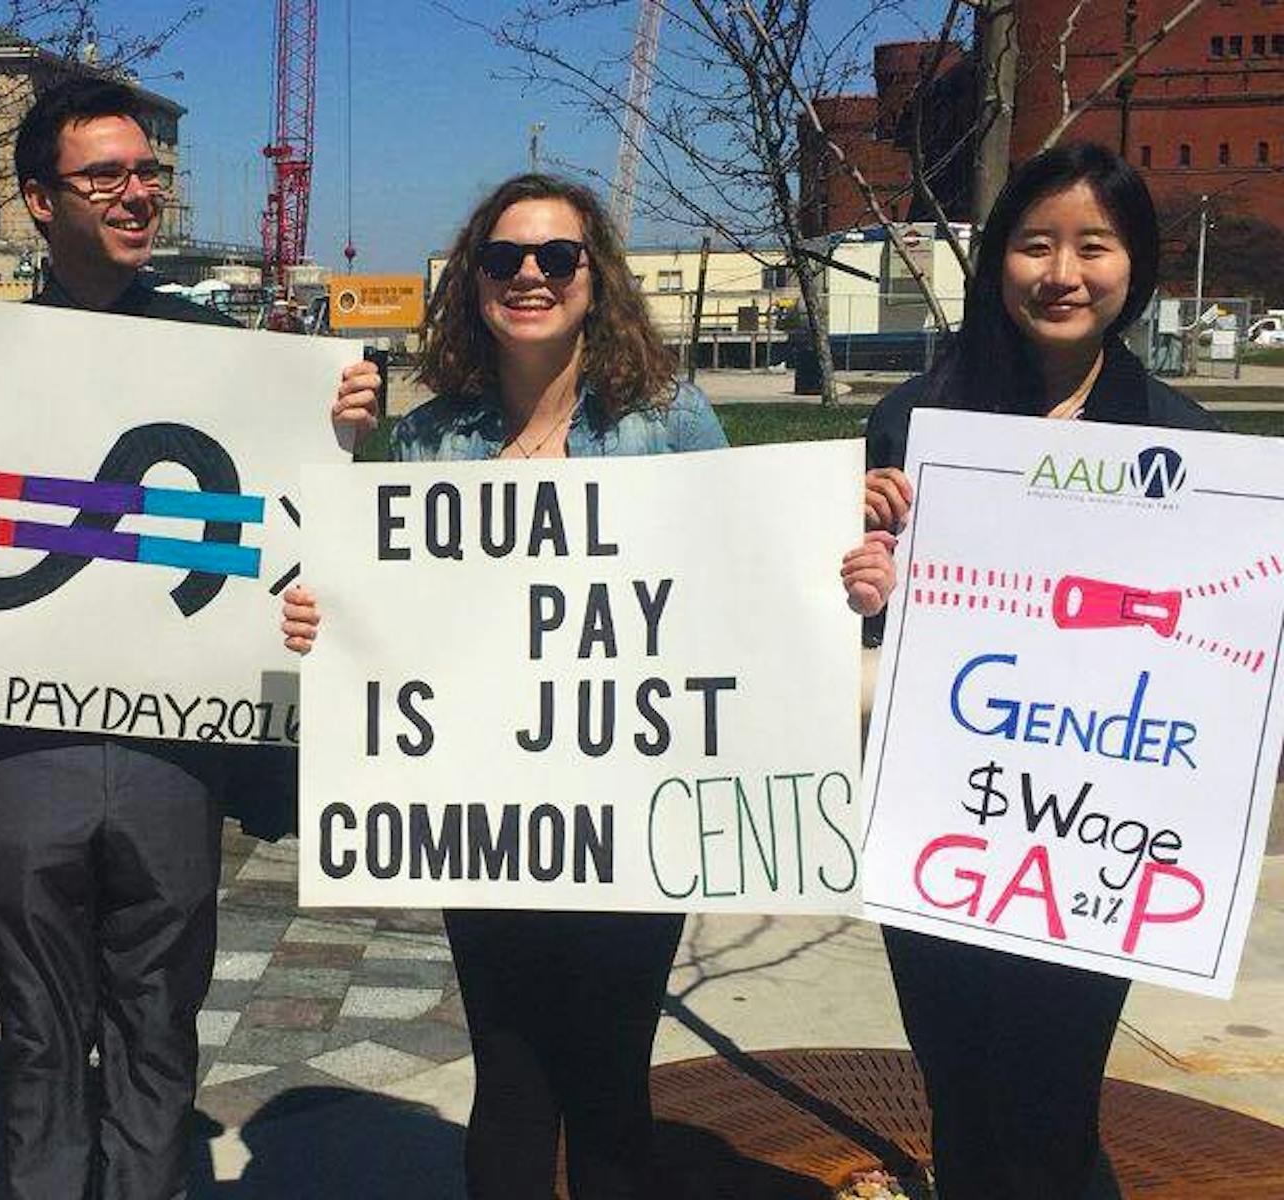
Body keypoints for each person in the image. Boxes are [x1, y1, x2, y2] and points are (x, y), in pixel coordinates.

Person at [281, 172, 896, 1198]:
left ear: (592, 278)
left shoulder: (666, 420)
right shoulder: (433, 439)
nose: (528, 275)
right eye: (503, 258)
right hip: (483, 817)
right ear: (472, 281)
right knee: (511, 1078)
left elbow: (745, 574)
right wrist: (323, 616)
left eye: (554, 257)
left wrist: (842, 577)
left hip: (631, 816)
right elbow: (389, 611)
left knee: (609, 1079)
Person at [0, 76, 376, 1199]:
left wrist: (332, 440)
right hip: (25, 744)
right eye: (106, 176)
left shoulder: (222, 354)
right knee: (37, 1028)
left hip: (170, 749)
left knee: (158, 1018)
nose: (137, 194)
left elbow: (295, 534)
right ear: (40, 200)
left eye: (149, 173)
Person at [860, 142, 1218, 1199]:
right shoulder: (913, 423)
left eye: (1091, 247)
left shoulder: (1185, 442)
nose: (1060, 272)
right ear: (995, 261)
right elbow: (871, 618)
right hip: (944, 822)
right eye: (1032, 244)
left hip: (1093, 833)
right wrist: (863, 566)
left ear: (1134, 266)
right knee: (960, 1104)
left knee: (1056, 1113)